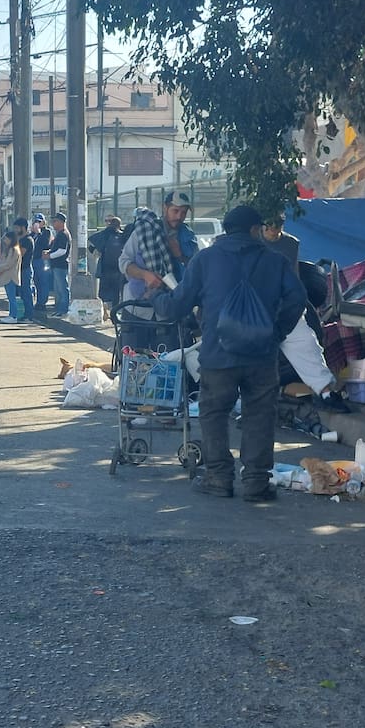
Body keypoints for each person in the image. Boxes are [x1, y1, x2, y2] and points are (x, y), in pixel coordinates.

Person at [152, 205, 308, 501]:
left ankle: (219, 478)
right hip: (261, 355)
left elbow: (177, 305)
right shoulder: (275, 261)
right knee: (259, 416)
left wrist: (157, 299)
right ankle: (256, 483)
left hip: (218, 355)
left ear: (226, 229)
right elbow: (298, 297)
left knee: (213, 414)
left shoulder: (205, 260)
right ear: (253, 229)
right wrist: (277, 332)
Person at [260, 213, 348, 411]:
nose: (275, 228)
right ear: (262, 225)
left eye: (279, 224)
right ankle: (250, 403)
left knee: (307, 345)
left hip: (286, 306)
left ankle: (326, 393)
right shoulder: (252, 243)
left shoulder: (291, 244)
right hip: (259, 308)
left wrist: (297, 301)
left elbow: (295, 277)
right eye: (270, 223)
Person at [118, 192, 199, 345]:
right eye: (175, 211)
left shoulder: (188, 238)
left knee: (168, 363)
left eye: (183, 212)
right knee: (133, 361)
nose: (179, 216)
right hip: (137, 308)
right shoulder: (144, 231)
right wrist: (145, 275)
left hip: (170, 311)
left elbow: (197, 271)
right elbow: (124, 262)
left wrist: (180, 255)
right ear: (165, 208)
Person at [88, 215, 127, 315]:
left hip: (105, 268)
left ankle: (104, 310)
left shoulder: (104, 233)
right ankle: (115, 312)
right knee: (116, 293)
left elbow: (91, 243)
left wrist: (97, 252)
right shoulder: (123, 235)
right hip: (119, 269)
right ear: (119, 225)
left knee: (103, 291)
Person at [45, 212, 72, 317]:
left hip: (61, 265)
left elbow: (62, 251)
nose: (53, 223)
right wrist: (49, 252)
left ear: (61, 222)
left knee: (62, 289)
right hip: (56, 265)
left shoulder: (63, 234)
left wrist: (49, 256)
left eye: (55, 221)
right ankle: (59, 310)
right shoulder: (59, 234)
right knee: (58, 290)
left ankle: (63, 310)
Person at [11, 217, 37, 322]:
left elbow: (19, 254)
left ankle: (29, 315)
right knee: (21, 293)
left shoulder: (27, 240)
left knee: (26, 292)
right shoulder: (20, 240)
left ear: (23, 228)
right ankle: (23, 314)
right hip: (19, 269)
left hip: (25, 269)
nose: (15, 230)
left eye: (17, 228)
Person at [0, 231, 23, 324]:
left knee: (12, 298)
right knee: (10, 297)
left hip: (11, 277)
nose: (4, 240)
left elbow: (9, 264)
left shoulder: (14, 250)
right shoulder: (8, 249)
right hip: (6, 276)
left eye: (6, 238)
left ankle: (14, 316)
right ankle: (11, 314)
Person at [31, 213, 53, 310]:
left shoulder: (46, 232)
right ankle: (38, 301)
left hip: (42, 260)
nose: (37, 224)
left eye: (39, 222)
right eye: (35, 222)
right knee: (36, 281)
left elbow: (45, 244)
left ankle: (42, 302)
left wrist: (39, 233)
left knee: (43, 281)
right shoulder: (32, 234)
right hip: (33, 260)